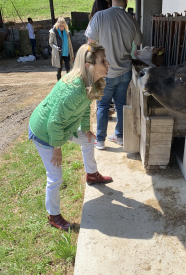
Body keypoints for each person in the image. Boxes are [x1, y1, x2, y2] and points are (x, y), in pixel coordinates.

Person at [28, 43, 112, 231]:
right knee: (56, 176)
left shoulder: (89, 81)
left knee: (89, 140)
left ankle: (91, 174)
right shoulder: (74, 89)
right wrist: (57, 148)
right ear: (89, 65)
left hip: (64, 127)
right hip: (44, 132)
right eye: (103, 61)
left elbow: (84, 107)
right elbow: (54, 122)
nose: (108, 64)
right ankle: (53, 216)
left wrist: (85, 129)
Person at [85, 0, 143, 150]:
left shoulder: (99, 16)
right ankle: (119, 136)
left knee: (103, 105)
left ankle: (101, 140)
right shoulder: (132, 19)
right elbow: (139, 41)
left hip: (106, 71)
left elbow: (90, 43)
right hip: (125, 71)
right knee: (121, 105)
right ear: (127, 1)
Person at [49, 17, 74, 81]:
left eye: (63, 26)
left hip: (66, 51)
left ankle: (68, 80)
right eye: (60, 26)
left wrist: (72, 54)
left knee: (67, 66)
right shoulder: (53, 32)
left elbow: (70, 44)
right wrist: (56, 48)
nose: (61, 27)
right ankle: (59, 80)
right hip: (58, 52)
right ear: (57, 25)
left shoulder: (67, 32)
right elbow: (50, 43)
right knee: (59, 67)